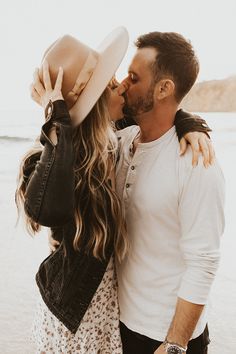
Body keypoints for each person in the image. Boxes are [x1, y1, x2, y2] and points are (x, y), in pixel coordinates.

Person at [16, 28, 212, 353]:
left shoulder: (113, 142)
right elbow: (47, 209)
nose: (121, 86)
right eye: (110, 85)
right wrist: (57, 118)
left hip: (110, 315)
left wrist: (189, 123)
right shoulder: (48, 160)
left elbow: (158, 114)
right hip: (73, 322)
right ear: (93, 102)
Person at [115, 32, 225, 354]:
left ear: (164, 89)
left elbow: (203, 262)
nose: (123, 85)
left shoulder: (196, 162)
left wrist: (174, 345)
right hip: (119, 324)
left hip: (166, 338)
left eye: (134, 78)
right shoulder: (122, 142)